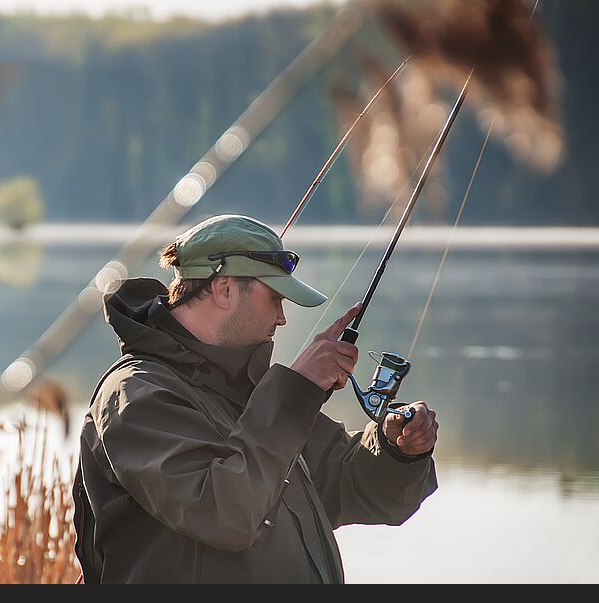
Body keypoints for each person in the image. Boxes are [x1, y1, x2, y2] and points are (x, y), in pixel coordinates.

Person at [73, 214, 438, 583]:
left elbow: (352, 486)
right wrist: (296, 389)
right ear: (224, 289)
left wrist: (398, 450)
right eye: (275, 298)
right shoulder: (138, 395)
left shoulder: (254, 393)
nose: (282, 318)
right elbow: (223, 513)